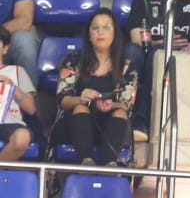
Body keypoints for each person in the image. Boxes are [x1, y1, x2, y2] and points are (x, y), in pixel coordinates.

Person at [124, 0, 190, 140]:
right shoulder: (142, 0)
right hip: (150, 57)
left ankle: (145, 121)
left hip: (182, 59)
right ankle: (135, 119)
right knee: (143, 53)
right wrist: (164, 42)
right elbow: (136, 40)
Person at [50, 9, 136, 166]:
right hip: (75, 125)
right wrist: (80, 99)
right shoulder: (73, 60)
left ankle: (110, 164)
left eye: (106, 27)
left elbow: (127, 104)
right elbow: (62, 99)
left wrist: (111, 105)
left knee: (120, 112)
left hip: (108, 126)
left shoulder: (126, 65)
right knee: (81, 109)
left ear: (115, 33)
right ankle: (86, 162)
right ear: (88, 35)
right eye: (95, 28)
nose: (100, 32)